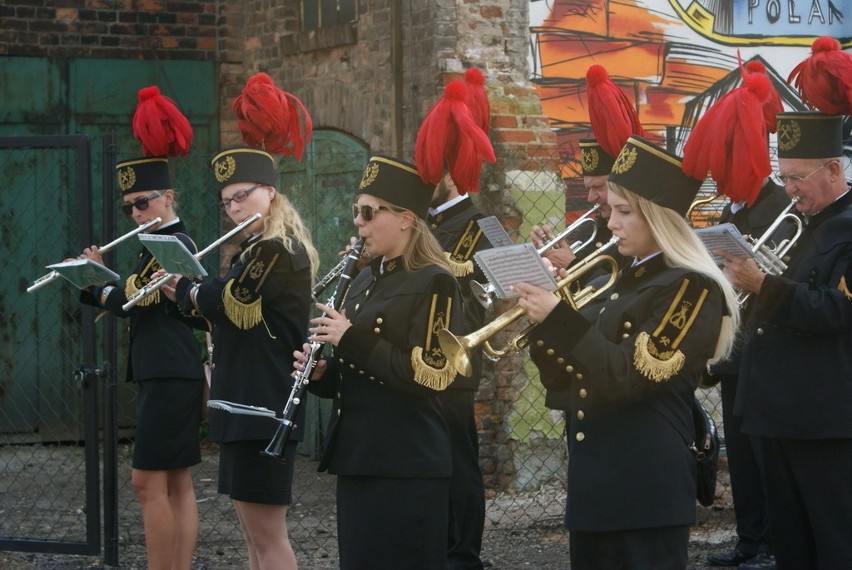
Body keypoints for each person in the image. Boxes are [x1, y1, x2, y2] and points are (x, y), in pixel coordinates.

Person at [514, 135, 740, 569]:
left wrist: (559, 318)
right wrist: (540, 318)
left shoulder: (691, 287)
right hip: (596, 480)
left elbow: (629, 377)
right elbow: (564, 377)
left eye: (624, 212)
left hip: (644, 484)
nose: (611, 223)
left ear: (659, 220)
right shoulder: (618, 278)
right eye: (611, 211)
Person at [295, 155, 465, 569]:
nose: (358, 222)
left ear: (406, 218)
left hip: (407, 463)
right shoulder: (366, 279)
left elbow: (429, 377)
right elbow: (361, 374)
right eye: (356, 212)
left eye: (368, 212)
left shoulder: (435, 281)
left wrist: (349, 339)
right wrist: (322, 374)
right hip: (361, 454)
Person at [164, 147, 319, 570]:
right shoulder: (252, 249)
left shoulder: (276, 249)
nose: (234, 208)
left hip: (264, 399)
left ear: (269, 192)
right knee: (252, 536)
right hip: (241, 398)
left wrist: (185, 289)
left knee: (268, 537)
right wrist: (184, 295)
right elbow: (229, 317)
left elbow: (233, 299)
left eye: (242, 195)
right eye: (227, 201)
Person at [721, 112, 852, 569]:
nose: (790, 189)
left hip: (824, 414)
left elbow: (838, 310)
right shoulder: (798, 223)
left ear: (834, 171)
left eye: (799, 178)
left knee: (835, 538)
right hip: (774, 407)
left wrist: (763, 285)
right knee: (791, 542)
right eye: (784, 178)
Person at [79, 155, 205, 570]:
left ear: (167, 198)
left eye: (142, 203)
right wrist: (101, 279)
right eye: (128, 207)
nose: (135, 213)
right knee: (173, 481)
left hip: (170, 371)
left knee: (147, 481)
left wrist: (93, 284)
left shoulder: (175, 243)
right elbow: (136, 292)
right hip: (167, 370)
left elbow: (133, 300)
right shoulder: (156, 243)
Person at [705, 177, 791, 569]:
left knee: (765, 453)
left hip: (764, 344)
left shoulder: (776, 205)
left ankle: (775, 541)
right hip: (735, 349)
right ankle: (749, 539)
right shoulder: (733, 210)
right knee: (740, 452)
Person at [427, 171, 490, 569]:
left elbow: (463, 277)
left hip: (455, 354)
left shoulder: (477, 223)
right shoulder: (421, 218)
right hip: (419, 353)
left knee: (458, 460)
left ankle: (464, 554)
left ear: (450, 175)